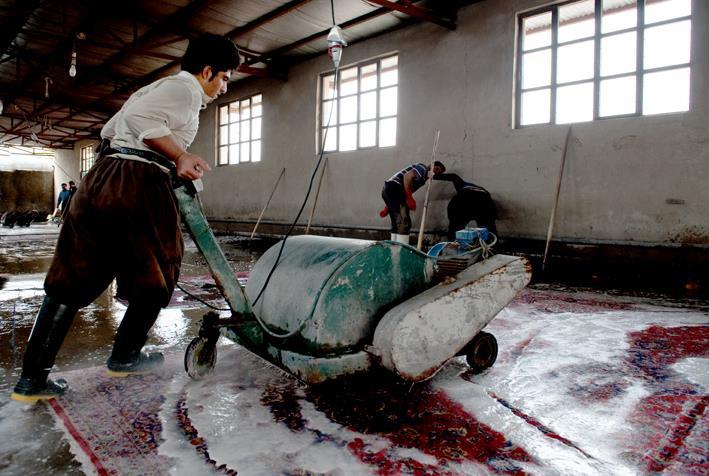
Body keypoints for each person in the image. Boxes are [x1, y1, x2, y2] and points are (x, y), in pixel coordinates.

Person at [11, 33, 240, 403]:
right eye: (224, 78)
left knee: (73, 274)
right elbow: (138, 118)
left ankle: (32, 379)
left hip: (102, 179)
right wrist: (179, 156)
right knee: (159, 271)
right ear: (207, 71)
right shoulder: (184, 89)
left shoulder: (155, 88)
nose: (224, 87)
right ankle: (125, 356)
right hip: (136, 184)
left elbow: (115, 127)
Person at [380, 161, 445, 244]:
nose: (436, 172)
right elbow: (407, 177)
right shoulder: (423, 168)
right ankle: (401, 247)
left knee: (396, 222)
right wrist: (410, 198)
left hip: (390, 190)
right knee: (404, 222)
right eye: (436, 169)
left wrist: (388, 206)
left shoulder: (423, 178)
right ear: (431, 165)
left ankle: (394, 247)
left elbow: (406, 187)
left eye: (439, 172)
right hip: (394, 189)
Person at [433, 173, 497, 241]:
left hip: (463, 199)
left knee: (455, 229)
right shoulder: (485, 194)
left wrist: (433, 176)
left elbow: (453, 177)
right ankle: (490, 244)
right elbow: (492, 212)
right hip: (482, 202)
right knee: (488, 230)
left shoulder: (464, 185)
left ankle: (453, 243)